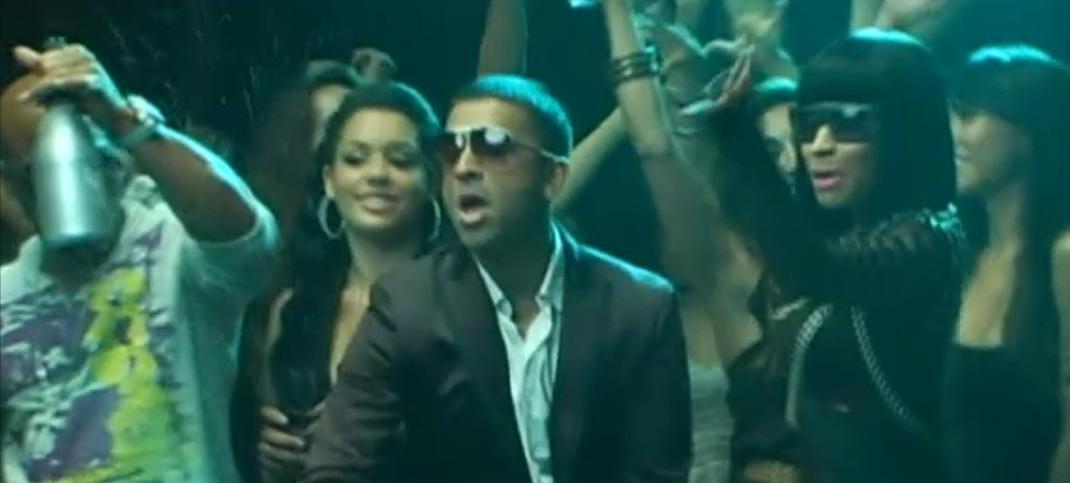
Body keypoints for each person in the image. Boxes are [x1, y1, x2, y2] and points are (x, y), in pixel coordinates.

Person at [303, 75, 691, 483]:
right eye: (451, 149)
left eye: (493, 145)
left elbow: (655, 475)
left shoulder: (639, 307)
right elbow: (336, 466)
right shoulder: (407, 304)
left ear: (553, 177)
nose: (465, 167)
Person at [0, 43, 278, 482]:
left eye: (90, 158)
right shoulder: (6, 297)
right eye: (37, 172)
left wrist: (123, 120)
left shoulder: (173, 245)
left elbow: (249, 238)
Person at [704, 30, 966, 483]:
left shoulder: (928, 238)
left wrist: (737, 134)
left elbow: (819, 270)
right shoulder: (837, 231)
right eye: (808, 124)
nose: (819, 145)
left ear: (904, 131)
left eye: (849, 124)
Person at [251, 82, 444, 482]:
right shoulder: (292, 310)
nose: (377, 174)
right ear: (329, 179)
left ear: (430, 179)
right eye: (355, 159)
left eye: (400, 160)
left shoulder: (463, 304)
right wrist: (274, 458)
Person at [943, 45, 1070, 483]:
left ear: (1029, 133)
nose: (954, 133)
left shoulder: (1063, 256)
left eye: (969, 115)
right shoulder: (965, 253)